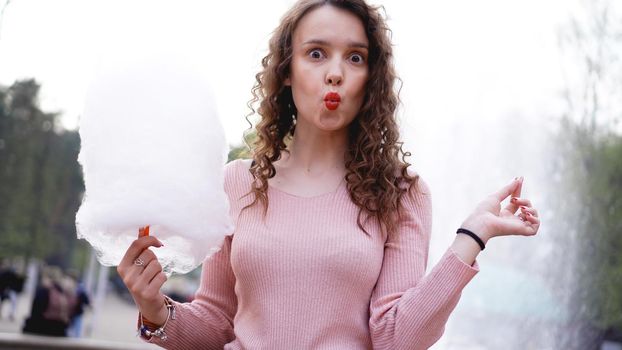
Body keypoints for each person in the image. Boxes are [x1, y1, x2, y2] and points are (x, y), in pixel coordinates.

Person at [116, 1, 541, 349]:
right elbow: (216, 322)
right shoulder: (238, 183)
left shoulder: (400, 193)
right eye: (316, 53)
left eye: (354, 57)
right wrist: (156, 310)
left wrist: (471, 236)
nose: (335, 71)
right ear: (286, 70)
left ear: (369, 79)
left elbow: (398, 339)